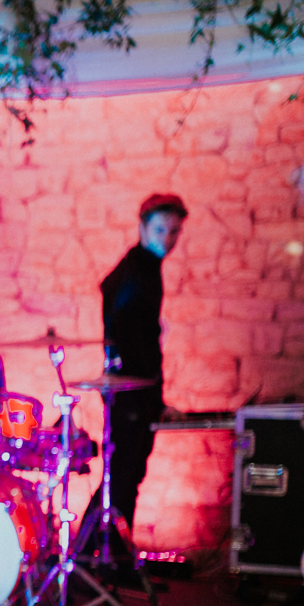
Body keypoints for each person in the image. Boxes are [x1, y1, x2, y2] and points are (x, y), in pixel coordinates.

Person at [93, 192, 187, 531]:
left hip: (134, 390)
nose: (168, 239)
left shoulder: (144, 267)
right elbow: (135, 340)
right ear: (143, 228)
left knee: (123, 478)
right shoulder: (138, 270)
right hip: (131, 392)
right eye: (161, 230)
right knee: (121, 479)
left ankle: (111, 559)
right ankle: (104, 559)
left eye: (174, 231)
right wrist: (153, 400)